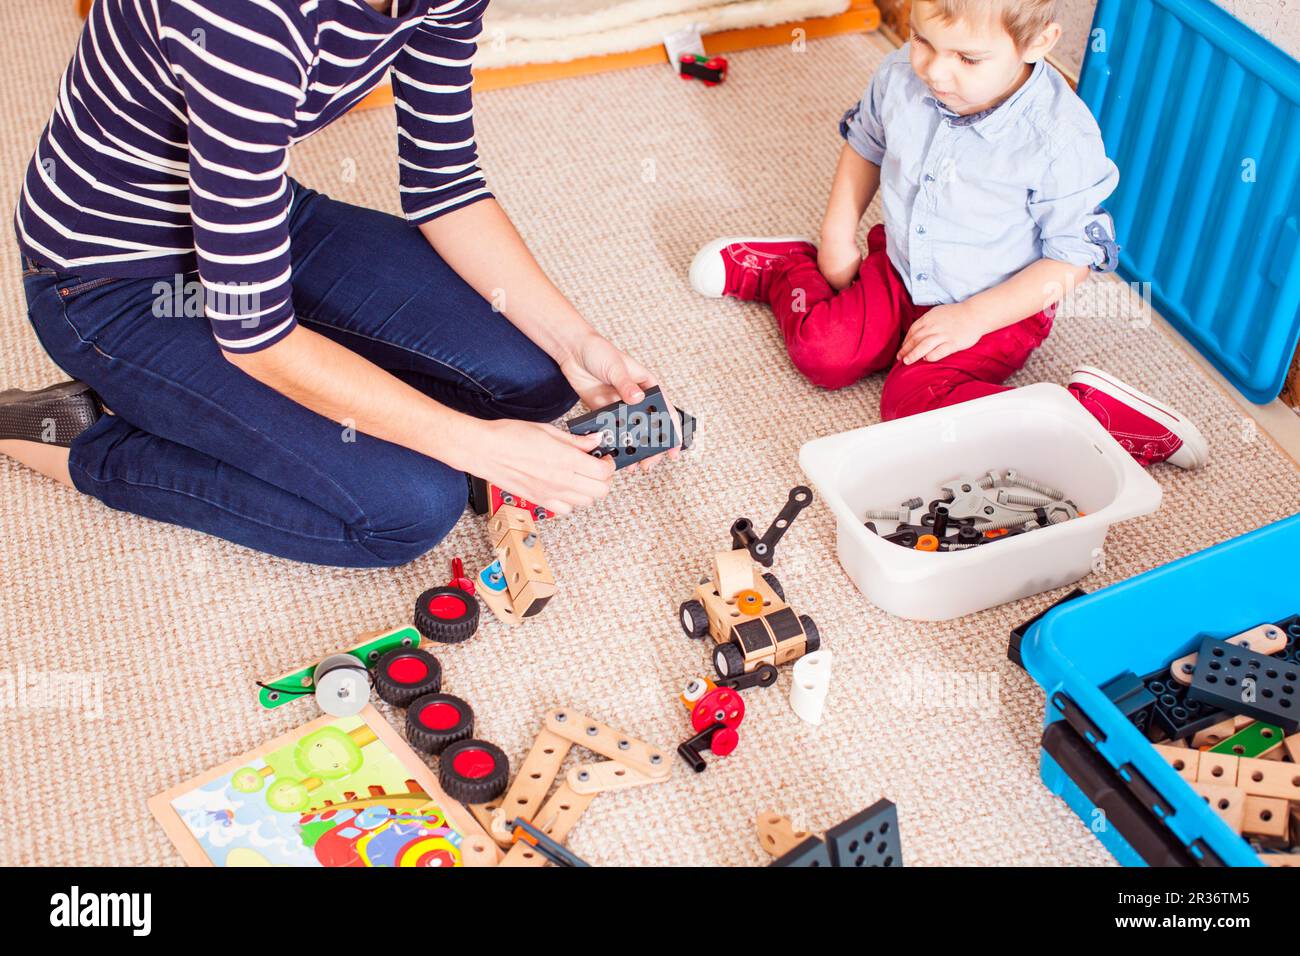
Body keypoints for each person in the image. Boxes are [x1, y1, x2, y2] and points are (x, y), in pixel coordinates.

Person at [2, 0, 674, 568]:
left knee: (534, 376)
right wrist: (478, 445)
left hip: (260, 220)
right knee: (409, 508)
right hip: (110, 282)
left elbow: (447, 183)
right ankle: (71, 436)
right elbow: (257, 339)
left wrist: (576, 342)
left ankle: (266, 394)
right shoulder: (244, 18)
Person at [688, 0, 1207, 470]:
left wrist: (973, 318)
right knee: (823, 354)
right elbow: (865, 144)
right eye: (921, 40)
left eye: (968, 58)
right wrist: (836, 233)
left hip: (994, 307)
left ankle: (1082, 418)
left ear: (1036, 43)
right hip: (899, 268)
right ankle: (784, 268)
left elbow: (1070, 261)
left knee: (909, 403)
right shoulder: (899, 76)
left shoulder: (1060, 139)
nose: (933, 69)